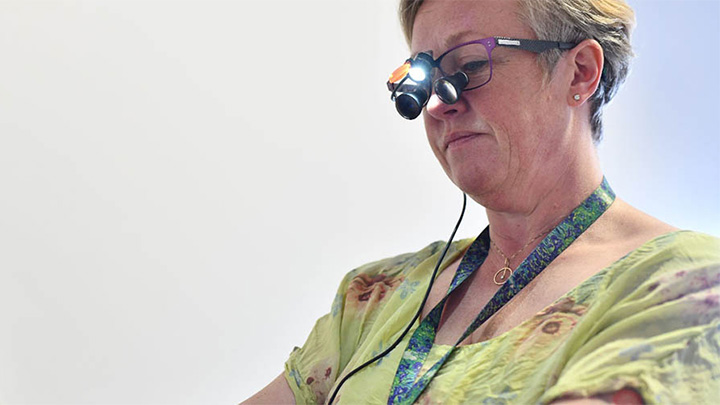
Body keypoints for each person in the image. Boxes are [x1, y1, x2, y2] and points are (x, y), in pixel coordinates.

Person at [243, 0, 720, 403]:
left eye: (469, 67)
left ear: (580, 72)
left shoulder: (685, 284)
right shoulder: (370, 296)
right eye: (423, 79)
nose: (437, 104)